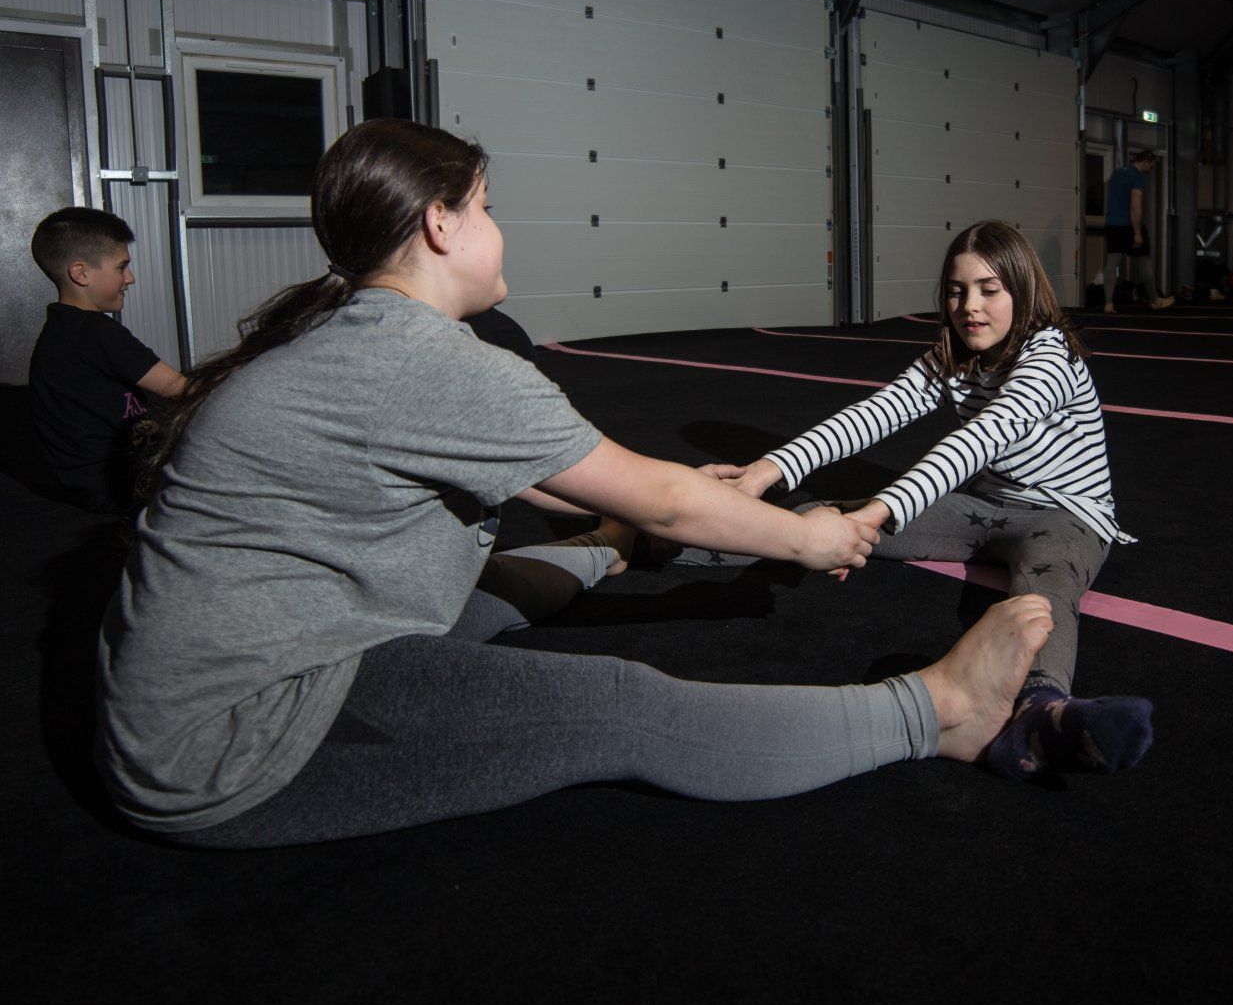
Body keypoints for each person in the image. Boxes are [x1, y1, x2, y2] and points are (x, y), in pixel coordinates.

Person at [98, 119, 1052, 848]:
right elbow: (668, 499)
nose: (497, 227)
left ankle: (605, 555)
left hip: (191, 701)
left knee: (480, 607)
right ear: (440, 222)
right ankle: (935, 715)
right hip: (227, 744)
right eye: (486, 206)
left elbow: (579, 479)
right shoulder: (429, 361)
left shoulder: (351, 335)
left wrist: (639, 515)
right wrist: (817, 536)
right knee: (623, 708)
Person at [699, 220, 1153, 780]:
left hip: (1064, 514)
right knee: (824, 518)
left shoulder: (1049, 357)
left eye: (990, 289)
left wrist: (879, 511)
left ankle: (1043, 712)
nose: (971, 307)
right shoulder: (952, 354)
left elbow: (978, 439)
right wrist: (765, 473)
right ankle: (685, 538)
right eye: (958, 291)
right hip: (982, 507)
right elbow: (875, 414)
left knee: (1045, 584)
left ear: (1024, 289)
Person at [27, 207, 186, 512]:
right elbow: (178, 387)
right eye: (121, 267)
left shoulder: (60, 329)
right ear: (81, 273)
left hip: (83, 483)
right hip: (111, 486)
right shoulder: (95, 332)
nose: (130, 278)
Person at [1103, 148, 1174, 311]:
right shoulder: (1137, 177)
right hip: (1127, 225)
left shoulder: (1117, 174)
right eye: (1151, 167)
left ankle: (1108, 303)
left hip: (1112, 224)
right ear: (1146, 162)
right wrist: (1137, 232)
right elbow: (1135, 206)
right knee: (1144, 262)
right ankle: (1155, 300)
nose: (1150, 171)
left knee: (1111, 263)